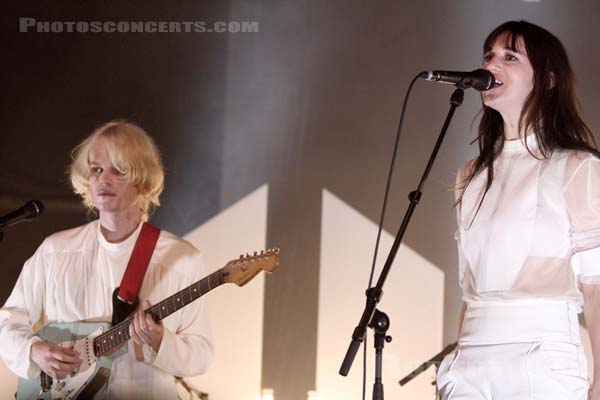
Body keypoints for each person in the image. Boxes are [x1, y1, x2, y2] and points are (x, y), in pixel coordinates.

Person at [437, 20, 600, 400]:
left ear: (547, 80)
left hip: (543, 361)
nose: (492, 65)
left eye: (510, 57)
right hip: (471, 365)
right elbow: (471, 291)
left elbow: (596, 288)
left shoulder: (577, 167)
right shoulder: (470, 175)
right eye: (489, 56)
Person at [0, 121, 213, 399]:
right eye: (97, 169)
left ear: (142, 179)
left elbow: (201, 354)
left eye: (118, 170)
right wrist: (34, 350)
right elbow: (7, 322)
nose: (103, 179)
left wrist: (161, 341)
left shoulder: (181, 259)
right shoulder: (55, 251)